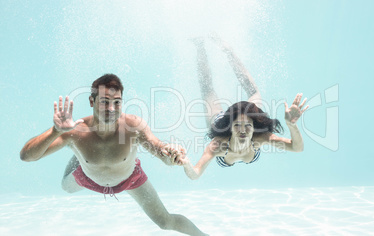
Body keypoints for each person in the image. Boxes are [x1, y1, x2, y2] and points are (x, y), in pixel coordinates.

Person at [20, 74, 207, 236]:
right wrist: (55, 131)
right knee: (65, 187)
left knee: (165, 222)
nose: (111, 109)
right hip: (87, 177)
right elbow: (27, 156)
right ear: (92, 102)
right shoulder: (75, 131)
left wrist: (172, 155)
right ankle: (80, 157)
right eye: (104, 102)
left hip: (130, 178)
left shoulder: (133, 126)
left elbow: (160, 151)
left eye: (116, 102)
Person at [180, 36, 309, 179]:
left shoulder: (261, 137)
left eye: (247, 125)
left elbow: (297, 148)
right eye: (237, 125)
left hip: (242, 116)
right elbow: (195, 174)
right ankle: (200, 45)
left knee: (253, 92)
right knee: (207, 89)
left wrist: (292, 125)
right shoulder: (218, 145)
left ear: (254, 126)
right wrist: (187, 164)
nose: (242, 130)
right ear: (230, 127)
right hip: (221, 119)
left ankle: (228, 51)